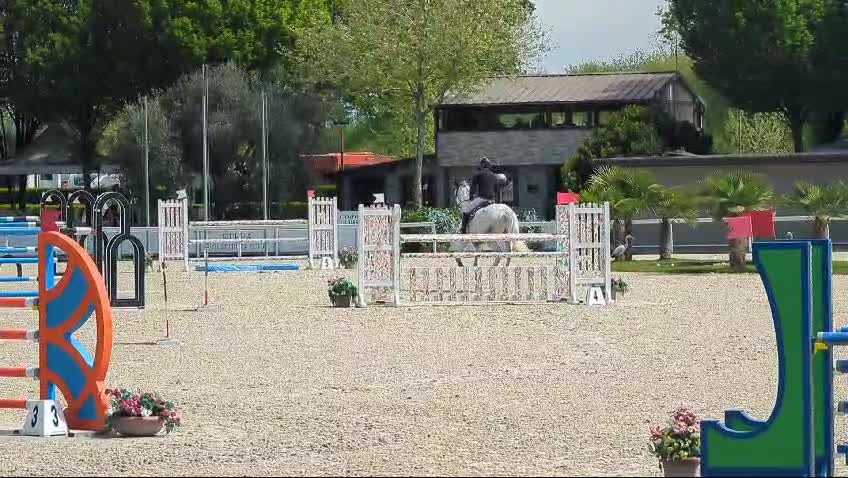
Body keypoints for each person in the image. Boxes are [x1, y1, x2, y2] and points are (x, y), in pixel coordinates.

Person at [460, 157, 498, 233]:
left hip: (481, 199)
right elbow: (496, 189)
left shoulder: (478, 174)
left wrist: (471, 197)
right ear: (488, 165)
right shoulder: (494, 176)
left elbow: (472, 188)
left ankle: (463, 231)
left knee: (465, 211)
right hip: (492, 201)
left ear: (482, 165)